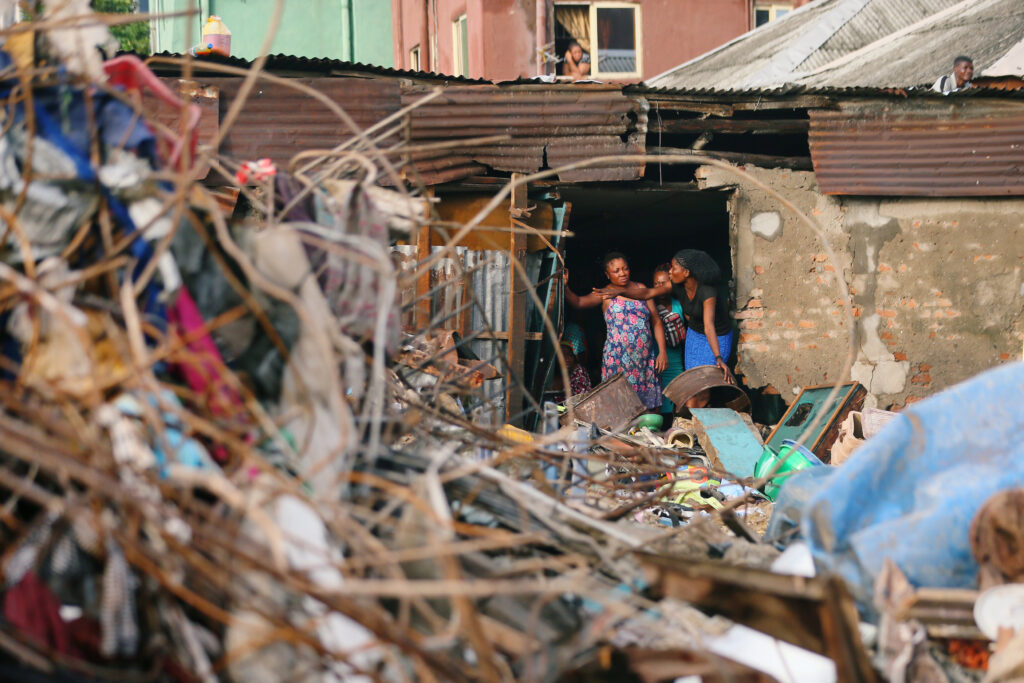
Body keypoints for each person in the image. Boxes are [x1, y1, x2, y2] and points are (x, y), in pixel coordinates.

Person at [594, 249, 733, 409]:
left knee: (706, 383)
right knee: (693, 385)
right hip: (695, 334)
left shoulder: (707, 291)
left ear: (686, 272)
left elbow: (709, 326)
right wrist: (621, 291)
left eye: (673, 268)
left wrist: (719, 357)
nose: (670, 271)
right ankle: (691, 423)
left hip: (718, 335)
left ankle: (703, 422)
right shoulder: (675, 285)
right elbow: (647, 293)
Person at [565, 253, 667, 410]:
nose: (622, 273)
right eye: (616, 270)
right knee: (619, 407)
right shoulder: (605, 293)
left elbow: (657, 321)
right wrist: (564, 286)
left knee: (649, 407)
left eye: (625, 269)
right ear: (607, 274)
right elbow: (578, 302)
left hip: (644, 359)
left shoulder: (641, 289)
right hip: (618, 360)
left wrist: (662, 352)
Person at [653, 263, 685, 417]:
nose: (660, 287)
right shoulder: (650, 306)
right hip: (656, 361)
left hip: (676, 362)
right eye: (656, 283)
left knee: (677, 398)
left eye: (663, 283)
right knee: (658, 400)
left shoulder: (679, 305)